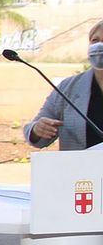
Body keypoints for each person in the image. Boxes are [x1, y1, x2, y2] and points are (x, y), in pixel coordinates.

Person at [23, 18, 103, 150]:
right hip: (80, 169)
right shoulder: (68, 88)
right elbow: (35, 133)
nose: (99, 46)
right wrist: (37, 130)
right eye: (95, 41)